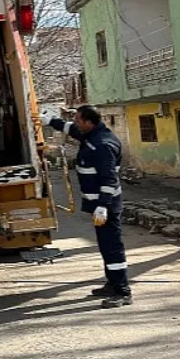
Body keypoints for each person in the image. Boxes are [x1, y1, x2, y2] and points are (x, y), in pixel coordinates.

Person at [40, 106, 132, 308]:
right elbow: (71, 128)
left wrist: (103, 206)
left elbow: (109, 179)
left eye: (79, 121)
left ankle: (123, 291)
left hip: (105, 206)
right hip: (98, 205)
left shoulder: (102, 145)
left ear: (90, 122)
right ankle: (112, 283)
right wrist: (51, 121)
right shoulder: (91, 135)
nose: (76, 124)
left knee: (112, 247)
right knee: (105, 246)